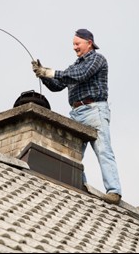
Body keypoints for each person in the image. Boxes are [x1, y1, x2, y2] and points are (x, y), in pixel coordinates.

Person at [32, 29, 122, 205]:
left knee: (103, 150)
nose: (74, 48)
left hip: (94, 110)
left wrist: (49, 72)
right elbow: (58, 85)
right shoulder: (73, 67)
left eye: (77, 44)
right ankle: (81, 185)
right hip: (76, 113)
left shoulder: (97, 59)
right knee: (71, 152)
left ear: (89, 42)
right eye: (73, 44)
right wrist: (43, 76)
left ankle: (114, 191)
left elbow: (80, 76)